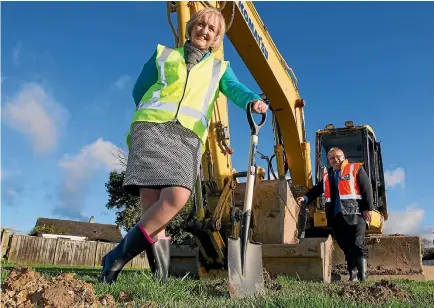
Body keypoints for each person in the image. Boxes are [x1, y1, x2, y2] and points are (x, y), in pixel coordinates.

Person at [97, 7, 268, 284]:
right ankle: (160, 279)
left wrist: (252, 100)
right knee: (151, 207)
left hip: (187, 137)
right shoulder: (164, 55)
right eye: (201, 24)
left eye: (212, 29)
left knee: (176, 197)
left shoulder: (218, 68)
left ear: (216, 38)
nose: (205, 31)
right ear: (191, 27)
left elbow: (235, 89)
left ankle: (116, 257)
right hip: (152, 128)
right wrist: (152, 113)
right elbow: (140, 90)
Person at [296, 147, 374, 281]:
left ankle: (363, 277)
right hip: (336, 217)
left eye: (337, 156)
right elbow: (318, 189)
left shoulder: (355, 168)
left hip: (355, 214)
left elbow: (366, 188)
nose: (335, 160)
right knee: (345, 246)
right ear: (328, 160)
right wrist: (306, 198)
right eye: (331, 158)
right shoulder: (328, 175)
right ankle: (353, 276)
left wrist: (368, 208)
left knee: (357, 243)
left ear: (343, 157)